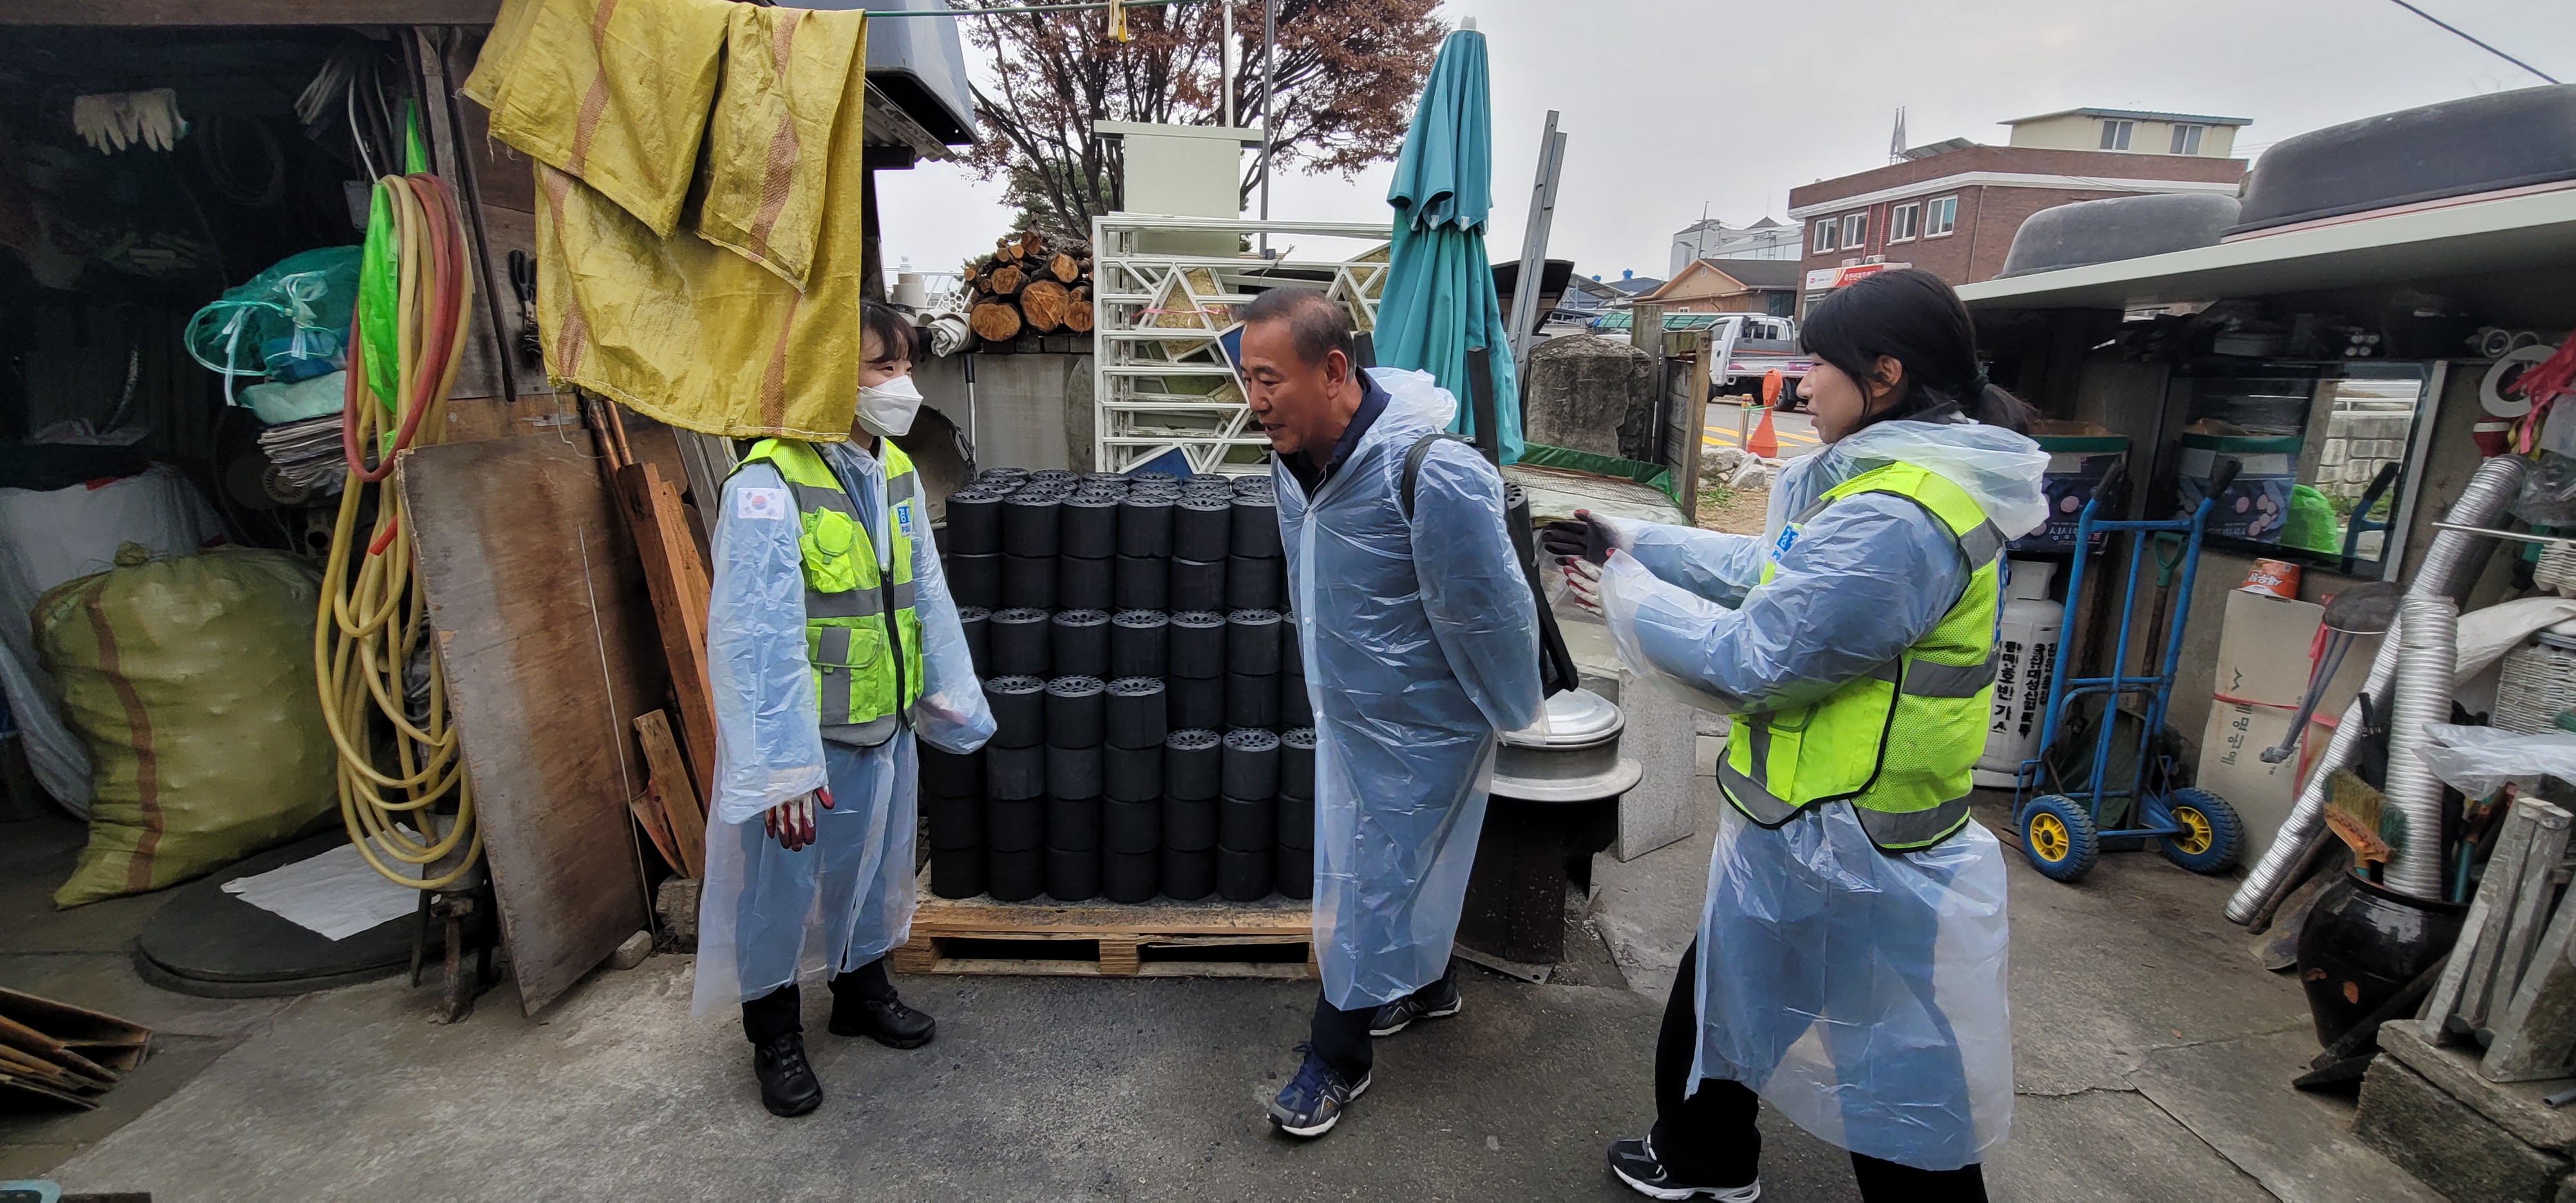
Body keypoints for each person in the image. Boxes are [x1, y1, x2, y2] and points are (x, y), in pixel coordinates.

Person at [1556, 269, 2043, 1200]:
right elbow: (1765, 564)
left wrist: (1626, 592)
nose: (1799, 384)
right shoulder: (1886, 483)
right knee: (1723, 997)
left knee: (1895, 1077)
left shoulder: (1896, 520)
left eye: (1817, 365)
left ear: (1886, 374)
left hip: (1855, 847)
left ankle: (1708, 1161)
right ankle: (1702, 1160)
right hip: (1814, 832)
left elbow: (1756, 657)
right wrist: (1635, 540)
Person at [1235, 287, 1544, 1139]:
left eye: (1270, 379)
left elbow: (1494, 612)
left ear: (1334, 370)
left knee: (1370, 872)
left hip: (1428, 720)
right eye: (1245, 379)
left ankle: (1337, 1056)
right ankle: (1427, 984)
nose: (1255, 401)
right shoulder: (1289, 455)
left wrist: (1513, 711)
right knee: (1400, 863)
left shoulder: (1431, 470)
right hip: (1353, 709)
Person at [692, 301, 994, 1118]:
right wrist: (779, 765)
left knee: (874, 867)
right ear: (826, 374)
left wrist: (945, 695)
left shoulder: (891, 467)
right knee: (781, 889)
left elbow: (923, 592)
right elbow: (754, 639)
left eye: (904, 366)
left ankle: (862, 989)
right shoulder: (767, 485)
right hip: (809, 740)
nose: (900, 385)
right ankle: (775, 1030)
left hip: (882, 720)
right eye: (879, 368)